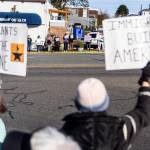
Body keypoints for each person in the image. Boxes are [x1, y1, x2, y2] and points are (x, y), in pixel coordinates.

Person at [60, 62, 150, 150]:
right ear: (106, 101)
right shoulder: (120, 130)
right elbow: (144, 112)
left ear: (77, 103)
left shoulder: (62, 136)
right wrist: (146, 81)